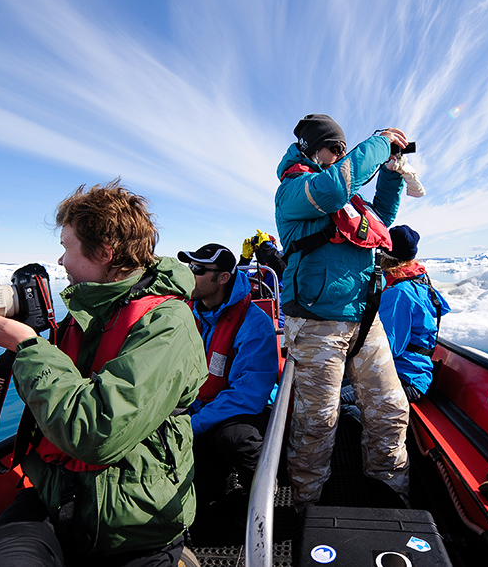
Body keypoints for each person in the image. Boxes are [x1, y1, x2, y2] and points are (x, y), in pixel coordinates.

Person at [0, 181, 208, 567]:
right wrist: (35, 336)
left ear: (105, 253)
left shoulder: (166, 323)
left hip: (134, 525)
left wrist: (27, 348)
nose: (60, 261)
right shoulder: (90, 313)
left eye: (66, 247)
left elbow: (94, 433)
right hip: (55, 500)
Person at [275, 113, 416, 510]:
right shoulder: (296, 191)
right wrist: (380, 141)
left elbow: (383, 220)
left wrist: (390, 170)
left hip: (364, 322)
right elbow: (335, 187)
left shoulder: (349, 203)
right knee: (317, 423)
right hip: (317, 325)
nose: (339, 155)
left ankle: (389, 494)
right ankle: (307, 506)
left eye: (343, 149)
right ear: (309, 148)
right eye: (333, 148)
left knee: (391, 409)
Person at [177, 243, 279, 521]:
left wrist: (190, 426)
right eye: (190, 267)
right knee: (201, 498)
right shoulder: (186, 313)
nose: (190, 274)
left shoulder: (254, 323)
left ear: (222, 278)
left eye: (198, 269)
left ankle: (260, 499)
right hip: (198, 407)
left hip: (241, 412)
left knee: (235, 440)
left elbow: (247, 394)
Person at [378, 225, 451, 402]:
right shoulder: (421, 284)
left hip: (402, 378)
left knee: (334, 400)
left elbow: (388, 348)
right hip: (418, 375)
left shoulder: (398, 293)